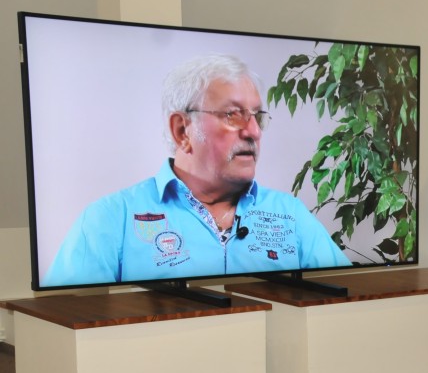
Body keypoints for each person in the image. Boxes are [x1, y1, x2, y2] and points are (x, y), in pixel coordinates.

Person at [43, 54, 350, 286]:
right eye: (233, 115)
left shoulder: (290, 214)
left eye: (257, 116)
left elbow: (347, 294)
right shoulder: (110, 220)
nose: (254, 131)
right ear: (182, 130)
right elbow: (67, 321)